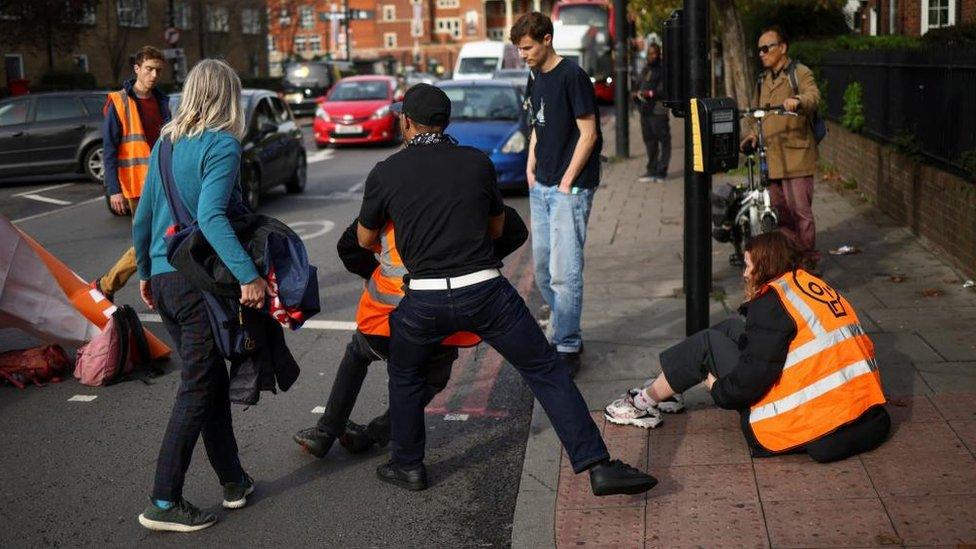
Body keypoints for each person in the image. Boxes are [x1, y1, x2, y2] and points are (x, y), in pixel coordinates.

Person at [357, 83, 656, 496]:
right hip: (485, 292)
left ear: (406, 121)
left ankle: (408, 465)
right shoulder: (476, 162)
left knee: (406, 375)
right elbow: (499, 228)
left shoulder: (386, 171)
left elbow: (363, 238)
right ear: (446, 122)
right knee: (545, 369)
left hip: (423, 298)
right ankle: (597, 465)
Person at [605, 232, 890, 463]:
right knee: (730, 327)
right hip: (857, 407)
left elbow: (750, 384)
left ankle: (642, 403)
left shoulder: (771, 305)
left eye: (748, 265)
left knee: (707, 344)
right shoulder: (806, 284)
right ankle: (670, 389)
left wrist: (717, 388)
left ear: (764, 266)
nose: (744, 274)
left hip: (807, 416)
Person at [133, 59, 272, 532]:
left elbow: (143, 215)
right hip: (198, 283)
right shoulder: (223, 144)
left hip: (168, 278)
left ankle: (233, 480)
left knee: (208, 380)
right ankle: (164, 501)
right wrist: (250, 276)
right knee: (197, 386)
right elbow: (212, 218)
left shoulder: (167, 143)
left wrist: (147, 272)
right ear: (228, 97)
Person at [292, 208, 528, 457]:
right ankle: (375, 434)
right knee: (434, 376)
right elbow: (515, 231)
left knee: (358, 353)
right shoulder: (465, 189)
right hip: (442, 313)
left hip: (388, 315)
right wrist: (476, 265)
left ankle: (326, 432)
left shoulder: (391, 188)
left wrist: (370, 271)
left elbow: (349, 246)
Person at [513, 12, 603, 375]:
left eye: (528, 47)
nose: (523, 55)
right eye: (519, 49)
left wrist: (567, 181)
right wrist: (531, 165)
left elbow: (589, 133)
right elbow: (538, 122)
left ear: (547, 39)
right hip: (542, 185)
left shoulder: (573, 76)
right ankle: (565, 329)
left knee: (566, 272)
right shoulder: (534, 75)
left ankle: (567, 343)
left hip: (570, 189)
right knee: (545, 270)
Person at [91, 46, 171, 302]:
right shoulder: (119, 101)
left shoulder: (162, 100)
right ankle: (106, 285)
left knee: (163, 236)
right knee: (147, 240)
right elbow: (109, 150)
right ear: (137, 69)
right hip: (136, 186)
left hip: (162, 181)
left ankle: (112, 286)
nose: (154, 75)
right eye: (149, 69)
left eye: (158, 70)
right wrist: (113, 189)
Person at [740, 26, 822, 272]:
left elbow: (813, 96)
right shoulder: (763, 79)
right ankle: (791, 259)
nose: (762, 53)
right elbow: (760, 114)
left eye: (767, 48)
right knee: (781, 214)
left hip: (796, 156)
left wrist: (798, 101)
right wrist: (753, 135)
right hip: (772, 157)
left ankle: (808, 260)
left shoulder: (799, 72)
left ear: (782, 48)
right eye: (759, 50)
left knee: (801, 213)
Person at [635, 42, 670, 183]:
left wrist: (650, 93)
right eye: (649, 53)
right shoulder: (645, 69)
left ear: (659, 54)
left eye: (654, 53)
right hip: (645, 111)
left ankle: (662, 171)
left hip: (658, 111)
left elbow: (664, 90)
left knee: (664, 140)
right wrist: (636, 94)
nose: (651, 56)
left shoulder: (662, 70)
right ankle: (652, 169)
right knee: (649, 141)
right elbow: (638, 84)